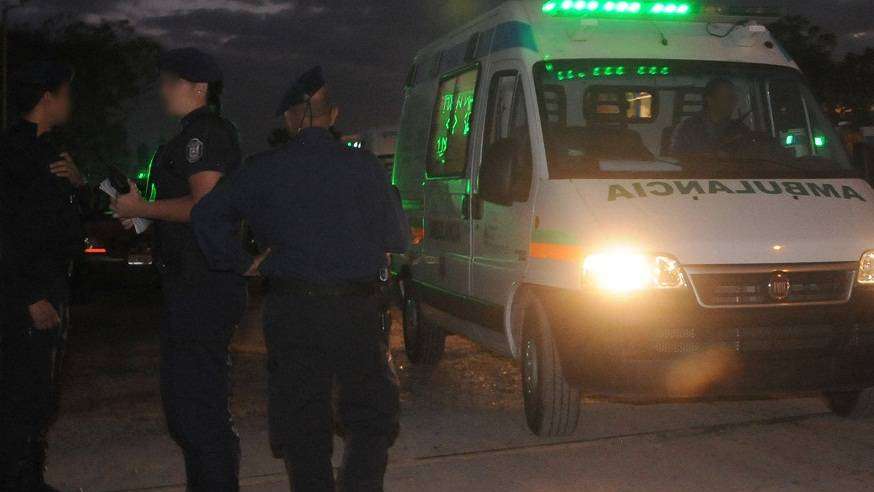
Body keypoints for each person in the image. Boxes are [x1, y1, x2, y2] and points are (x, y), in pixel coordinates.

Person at [192, 66, 409, 492]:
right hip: (356, 310)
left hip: (293, 309)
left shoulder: (263, 169)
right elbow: (397, 237)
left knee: (301, 418)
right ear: (333, 115)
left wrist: (242, 262)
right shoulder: (366, 167)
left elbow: (206, 216)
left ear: (291, 119)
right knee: (371, 414)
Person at [110, 48, 246, 492]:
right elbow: (185, 207)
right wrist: (143, 216)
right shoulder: (189, 135)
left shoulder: (206, 134)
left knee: (199, 409)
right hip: (188, 284)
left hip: (203, 286)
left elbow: (205, 206)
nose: (163, 89)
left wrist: (144, 208)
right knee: (187, 410)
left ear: (199, 88)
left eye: (172, 82)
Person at [0, 61, 84, 492]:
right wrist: (31, 295)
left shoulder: (52, 151)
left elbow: (69, 224)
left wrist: (78, 185)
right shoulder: (15, 152)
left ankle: (29, 477)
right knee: (22, 394)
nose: (71, 102)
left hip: (49, 284)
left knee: (39, 395)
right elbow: (9, 232)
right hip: (25, 295)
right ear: (47, 97)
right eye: (66, 93)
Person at [671, 78, 750, 156]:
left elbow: (749, 158)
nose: (733, 102)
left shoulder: (741, 130)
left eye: (734, 98)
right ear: (710, 100)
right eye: (727, 98)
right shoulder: (687, 129)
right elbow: (678, 159)